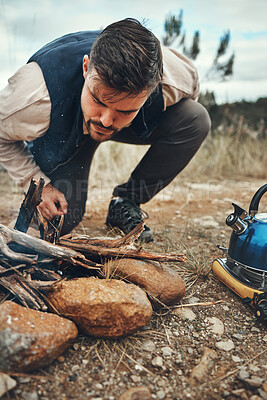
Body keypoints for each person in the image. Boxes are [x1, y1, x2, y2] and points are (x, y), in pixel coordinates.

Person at [0, 18, 210, 242]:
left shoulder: (174, 81)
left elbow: (190, 99)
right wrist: (37, 185)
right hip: (62, 127)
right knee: (59, 221)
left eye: (124, 109)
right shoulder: (34, 98)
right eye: (99, 100)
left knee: (195, 119)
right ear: (86, 67)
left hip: (127, 121)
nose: (107, 121)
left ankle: (125, 201)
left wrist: (131, 115)